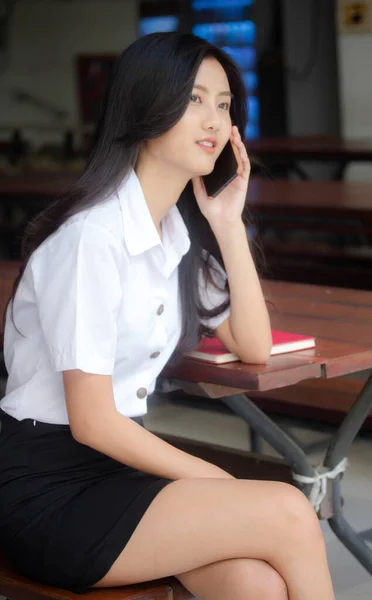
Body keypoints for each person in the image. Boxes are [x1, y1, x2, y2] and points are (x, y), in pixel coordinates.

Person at [0, 32, 335, 600]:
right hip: (48, 489)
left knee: (256, 585)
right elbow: (92, 422)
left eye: (224, 104)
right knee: (286, 509)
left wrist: (229, 224)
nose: (213, 120)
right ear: (146, 108)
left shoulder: (174, 238)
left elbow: (254, 345)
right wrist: (223, 485)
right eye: (194, 99)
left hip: (119, 472)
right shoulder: (91, 240)